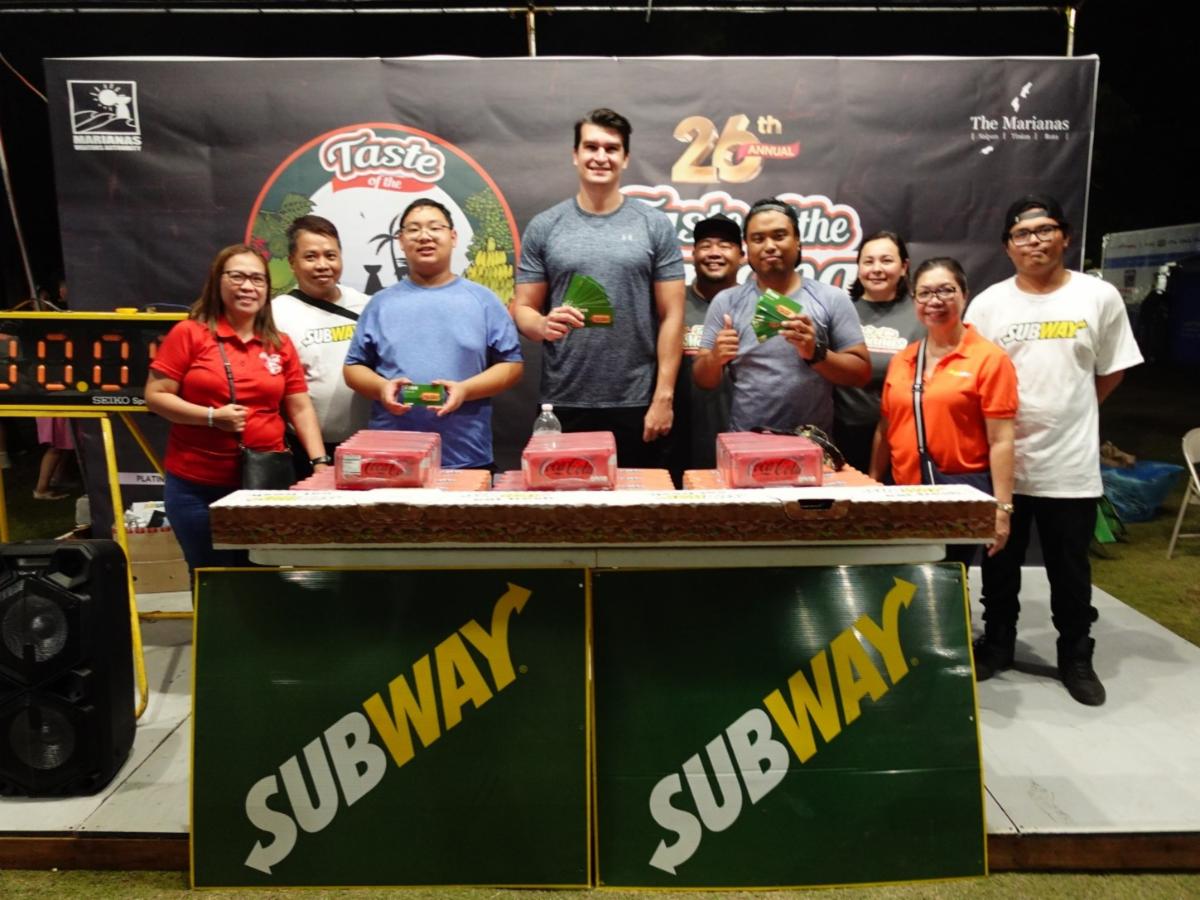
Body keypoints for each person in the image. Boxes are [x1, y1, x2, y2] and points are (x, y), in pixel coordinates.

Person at [964, 194, 1143, 706]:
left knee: (1070, 570)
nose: (1035, 241)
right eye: (1022, 234)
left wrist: (1071, 410)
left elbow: (1110, 371)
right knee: (999, 564)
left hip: (1070, 465)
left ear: (1064, 236)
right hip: (1003, 466)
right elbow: (976, 378)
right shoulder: (989, 304)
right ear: (1007, 246)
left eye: (1045, 230)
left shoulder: (1098, 296)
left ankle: (1075, 657)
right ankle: (997, 644)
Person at [511, 107, 685, 468]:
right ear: (575, 155)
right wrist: (540, 325)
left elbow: (673, 315)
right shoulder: (546, 226)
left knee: (640, 517)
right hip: (562, 401)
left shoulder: (654, 225)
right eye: (591, 147)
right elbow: (523, 308)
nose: (601, 157)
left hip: (638, 401)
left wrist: (663, 396)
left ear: (625, 158)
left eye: (611, 148)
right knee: (569, 516)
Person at [146, 244, 327, 571]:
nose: (248, 286)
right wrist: (211, 417)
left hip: (263, 486)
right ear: (218, 282)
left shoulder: (279, 343)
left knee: (263, 575)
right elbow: (156, 396)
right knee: (210, 577)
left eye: (257, 279)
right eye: (238, 277)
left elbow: (299, 407)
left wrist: (319, 462)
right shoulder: (190, 333)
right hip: (197, 488)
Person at [344, 198, 523, 470]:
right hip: (391, 457)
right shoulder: (380, 303)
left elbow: (512, 365)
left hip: (465, 455)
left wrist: (465, 390)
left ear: (452, 237)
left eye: (434, 227)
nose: (424, 236)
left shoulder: (483, 300)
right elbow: (353, 367)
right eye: (413, 229)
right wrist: (382, 388)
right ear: (400, 241)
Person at [869, 257, 1017, 566]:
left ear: (964, 294)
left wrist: (1002, 509)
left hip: (958, 496)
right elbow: (886, 426)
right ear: (914, 300)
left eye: (946, 290)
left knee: (947, 581)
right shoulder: (904, 359)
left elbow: (1001, 440)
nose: (934, 301)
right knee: (906, 583)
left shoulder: (989, 359)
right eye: (924, 293)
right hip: (905, 496)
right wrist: (873, 483)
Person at [693, 198, 870, 435]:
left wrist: (816, 353)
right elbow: (704, 380)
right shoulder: (726, 301)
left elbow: (861, 374)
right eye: (758, 238)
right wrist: (715, 357)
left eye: (779, 236)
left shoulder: (831, 298)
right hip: (745, 443)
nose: (769, 246)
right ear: (747, 247)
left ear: (797, 241)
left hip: (812, 444)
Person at [272, 215, 372, 469]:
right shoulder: (275, 313)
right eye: (310, 257)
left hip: (367, 445)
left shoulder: (368, 305)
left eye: (330, 255)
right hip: (303, 449)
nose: (322, 265)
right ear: (292, 262)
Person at [834, 230, 925, 473]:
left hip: (902, 436)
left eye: (886, 260)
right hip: (843, 436)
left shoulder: (922, 315)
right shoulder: (841, 311)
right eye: (868, 261)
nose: (877, 269)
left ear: (904, 267)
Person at [666, 213, 743, 481]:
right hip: (675, 435)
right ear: (693, 253)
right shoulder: (672, 304)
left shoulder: (756, 307)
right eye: (706, 245)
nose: (714, 253)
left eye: (725, 245)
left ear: (742, 255)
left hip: (738, 436)